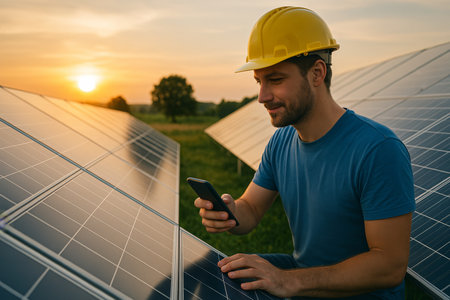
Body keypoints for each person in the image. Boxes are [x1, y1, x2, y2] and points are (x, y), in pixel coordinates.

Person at [194, 6, 415, 299]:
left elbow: (389, 266)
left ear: (316, 73)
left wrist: (288, 281)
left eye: (275, 80)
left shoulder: (377, 149)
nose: (261, 97)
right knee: (217, 276)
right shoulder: (281, 141)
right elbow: (251, 209)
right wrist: (230, 213)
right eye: (259, 81)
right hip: (304, 277)